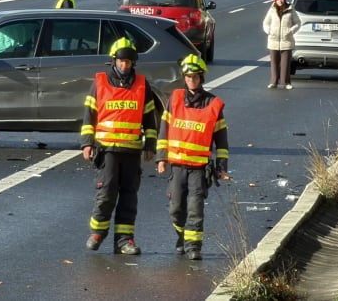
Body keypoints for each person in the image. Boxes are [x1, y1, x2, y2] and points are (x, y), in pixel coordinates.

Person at [81, 38, 158, 255]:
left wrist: (150, 144)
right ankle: (98, 232)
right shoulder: (100, 83)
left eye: (129, 62)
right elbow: (89, 116)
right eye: (122, 61)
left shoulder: (142, 85)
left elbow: (149, 118)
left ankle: (125, 240)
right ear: (114, 60)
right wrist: (87, 143)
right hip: (107, 149)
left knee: (129, 195)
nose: (125, 65)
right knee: (106, 192)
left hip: (132, 150)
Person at [156, 53, 229, 260]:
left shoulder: (214, 105)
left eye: (195, 77)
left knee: (195, 209)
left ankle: (193, 247)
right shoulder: (175, 99)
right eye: (188, 77)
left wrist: (222, 166)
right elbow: (164, 129)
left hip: (199, 168)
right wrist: (161, 158)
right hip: (178, 166)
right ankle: (183, 236)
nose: (191, 80)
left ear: (201, 77)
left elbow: (221, 142)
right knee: (176, 209)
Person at [262, 0, 301, 89]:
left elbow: (298, 22)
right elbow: (265, 23)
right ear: (275, 0)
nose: (280, 1)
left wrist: (291, 31)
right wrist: (269, 31)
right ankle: (273, 82)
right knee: (274, 63)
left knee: (285, 63)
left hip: (286, 41)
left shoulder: (290, 10)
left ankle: (286, 82)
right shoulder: (272, 10)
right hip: (273, 41)